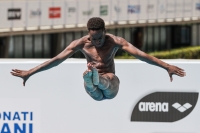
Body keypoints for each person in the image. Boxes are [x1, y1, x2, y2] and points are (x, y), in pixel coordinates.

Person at [11, 17, 186, 101]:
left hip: (109, 84)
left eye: (100, 38)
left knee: (109, 79)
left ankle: (94, 76)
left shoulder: (115, 42)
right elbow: (56, 60)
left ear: (105, 32)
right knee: (91, 85)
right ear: (89, 34)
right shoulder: (81, 43)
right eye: (93, 39)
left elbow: (142, 55)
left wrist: (166, 66)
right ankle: (91, 77)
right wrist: (30, 72)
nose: (97, 42)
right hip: (93, 90)